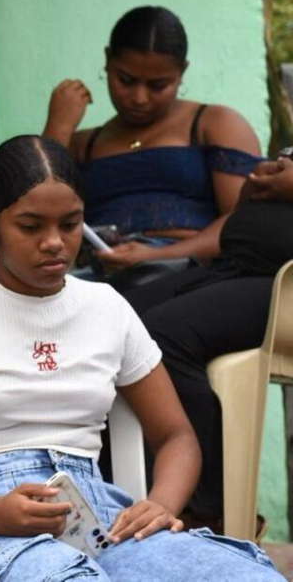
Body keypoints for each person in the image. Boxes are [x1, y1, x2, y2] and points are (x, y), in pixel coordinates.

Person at [0, 134, 282, 581]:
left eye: (70, 224)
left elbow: (176, 434)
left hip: (102, 524)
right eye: (30, 226)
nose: (54, 243)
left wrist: (161, 505)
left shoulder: (107, 308)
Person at [124, 149, 293, 534]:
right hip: (238, 267)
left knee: (165, 335)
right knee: (114, 322)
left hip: (286, 285)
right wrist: (260, 185)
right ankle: (116, 491)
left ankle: (202, 512)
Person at [42, 6, 262, 281]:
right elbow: (39, 209)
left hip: (192, 275)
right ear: (108, 60)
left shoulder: (214, 124)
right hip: (100, 278)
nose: (139, 98)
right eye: (126, 80)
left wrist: (156, 257)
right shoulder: (83, 144)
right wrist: (58, 128)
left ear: (182, 72)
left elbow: (243, 222)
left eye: (158, 85)